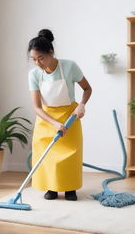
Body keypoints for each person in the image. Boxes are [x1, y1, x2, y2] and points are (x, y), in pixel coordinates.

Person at [28, 29, 92, 201]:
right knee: (47, 156)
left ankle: (70, 189)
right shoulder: (34, 74)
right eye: (33, 59)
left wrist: (81, 105)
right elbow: (37, 107)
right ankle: (52, 188)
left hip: (70, 116)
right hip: (46, 119)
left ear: (51, 53)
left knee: (70, 156)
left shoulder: (69, 66)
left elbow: (87, 88)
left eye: (41, 58)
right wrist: (55, 124)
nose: (38, 63)